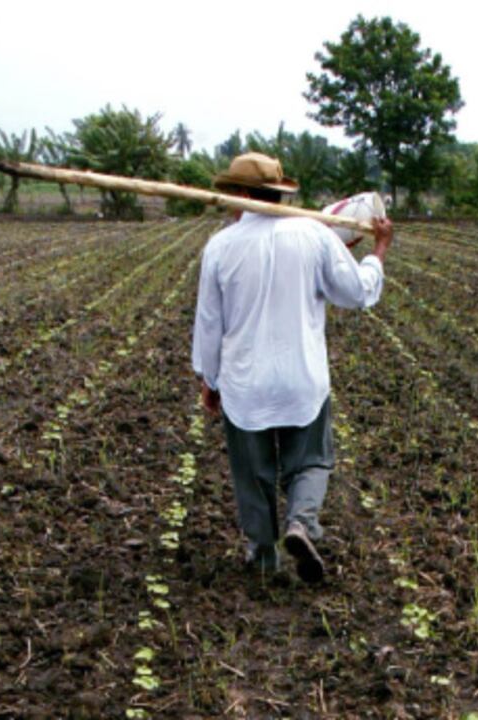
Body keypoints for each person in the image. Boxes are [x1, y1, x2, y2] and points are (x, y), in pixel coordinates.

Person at [191, 152, 394, 583]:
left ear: (242, 194)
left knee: (253, 473)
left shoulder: (220, 247)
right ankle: (301, 521)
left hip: (245, 382)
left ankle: (263, 555)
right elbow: (356, 292)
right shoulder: (314, 234)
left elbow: (210, 323)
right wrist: (378, 250)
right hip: (303, 377)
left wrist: (210, 379)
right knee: (312, 461)